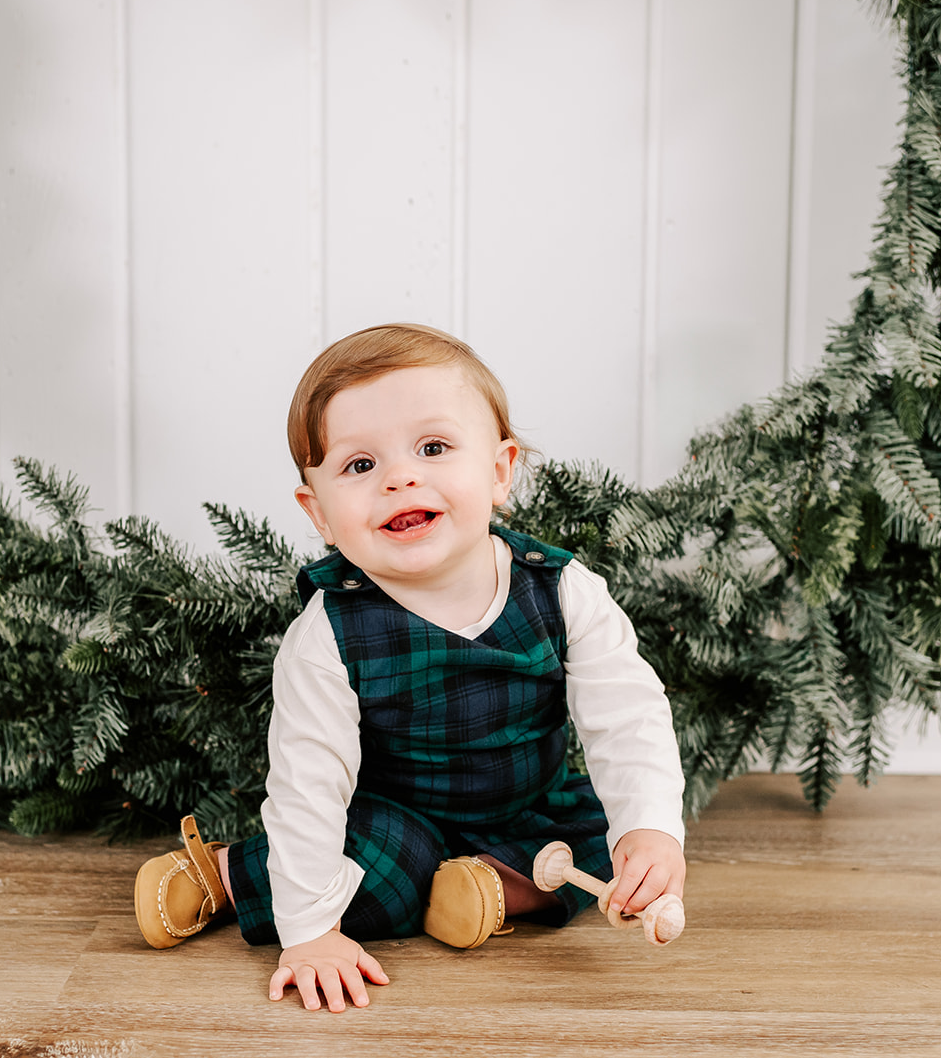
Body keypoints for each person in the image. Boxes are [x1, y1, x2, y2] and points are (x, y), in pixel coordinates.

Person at [133, 323, 687, 1012]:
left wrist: (651, 828)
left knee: (601, 846)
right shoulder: (330, 631)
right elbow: (309, 784)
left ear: (499, 469)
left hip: (526, 805)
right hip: (393, 814)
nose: (400, 476)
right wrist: (308, 934)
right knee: (382, 872)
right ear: (321, 512)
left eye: (433, 447)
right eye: (359, 466)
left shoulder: (563, 590)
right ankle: (228, 872)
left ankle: (486, 886)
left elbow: (627, 714)